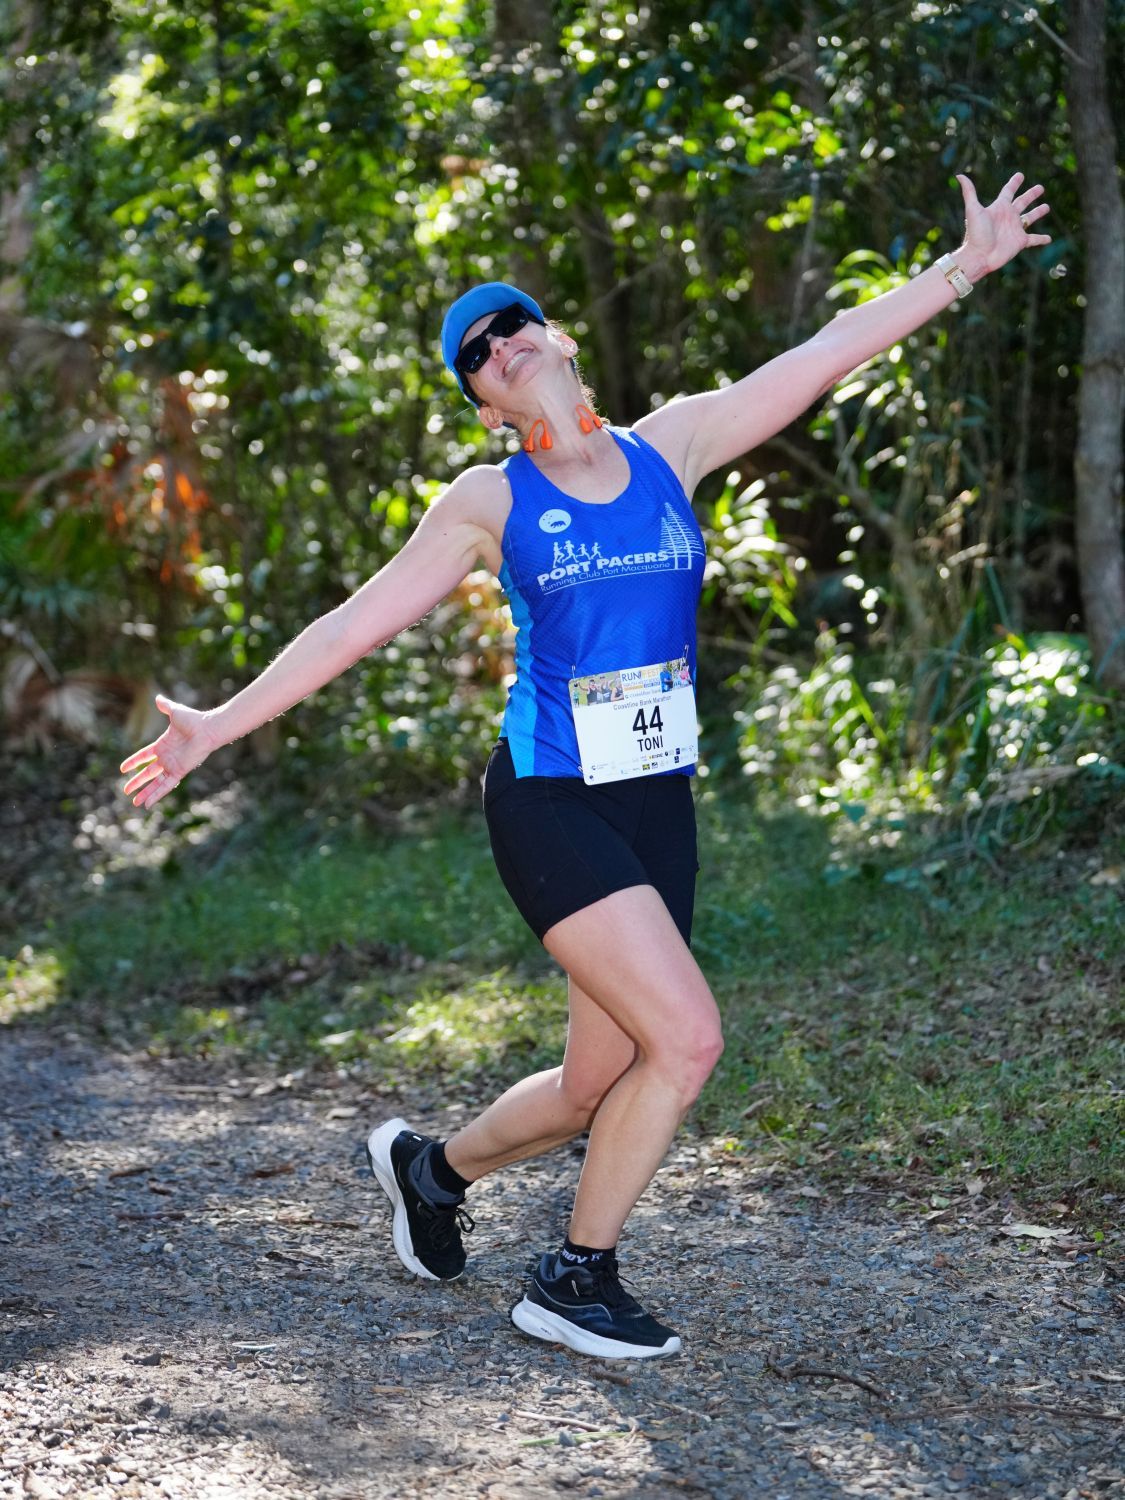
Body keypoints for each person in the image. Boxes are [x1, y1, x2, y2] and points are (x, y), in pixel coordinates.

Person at [120, 173, 1050, 1360]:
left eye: (513, 321)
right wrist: (216, 725)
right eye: (478, 352)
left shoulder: (676, 445)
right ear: (486, 406)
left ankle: (429, 1172)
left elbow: (823, 351)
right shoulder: (489, 499)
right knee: (691, 1040)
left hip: (655, 796)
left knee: (590, 1081)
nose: (501, 342)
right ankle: (575, 1275)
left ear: (556, 339)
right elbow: (349, 627)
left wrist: (962, 269)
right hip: (550, 796)